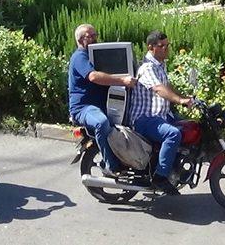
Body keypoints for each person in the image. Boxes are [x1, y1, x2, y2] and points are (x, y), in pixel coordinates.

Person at [68, 24, 136, 176]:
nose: (94, 38)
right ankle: (111, 166)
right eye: (90, 36)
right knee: (101, 123)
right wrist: (123, 81)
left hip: (105, 105)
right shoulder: (80, 57)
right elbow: (93, 76)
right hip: (84, 108)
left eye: (95, 35)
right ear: (80, 39)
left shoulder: (96, 55)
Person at [130, 30, 193, 195]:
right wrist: (179, 101)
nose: (166, 49)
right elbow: (158, 89)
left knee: (189, 128)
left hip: (161, 116)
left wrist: (185, 98)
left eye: (167, 45)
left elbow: (167, 87)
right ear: (151, 47)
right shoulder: (147, 68)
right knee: (173, 134)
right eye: (162, 46)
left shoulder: (160, 64)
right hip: (144, 119)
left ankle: (176, 167)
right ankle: (160, 177)